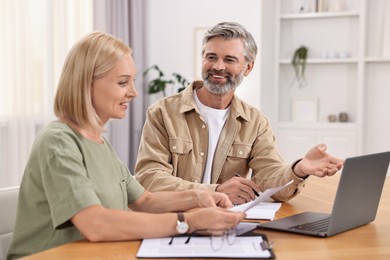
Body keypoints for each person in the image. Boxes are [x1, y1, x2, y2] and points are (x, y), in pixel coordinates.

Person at [7, 32, 245, 259]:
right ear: (85, 84)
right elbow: (95, 224)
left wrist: (200, 196)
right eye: (123, 83)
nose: (133, 93)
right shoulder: (58, 142)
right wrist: (190, 222)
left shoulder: (99, 143)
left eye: (132, 81)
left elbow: (144, 201)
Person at [135, 22, 344, 205]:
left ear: (248, 67)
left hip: (227, 223)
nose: (218, 66)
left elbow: (270, 179)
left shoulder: (255, 122)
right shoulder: (162, 112)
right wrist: (214, 192)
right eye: (211, 57)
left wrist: (299, 169)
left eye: (230, 60)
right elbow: (149, 178)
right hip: (174, 220)